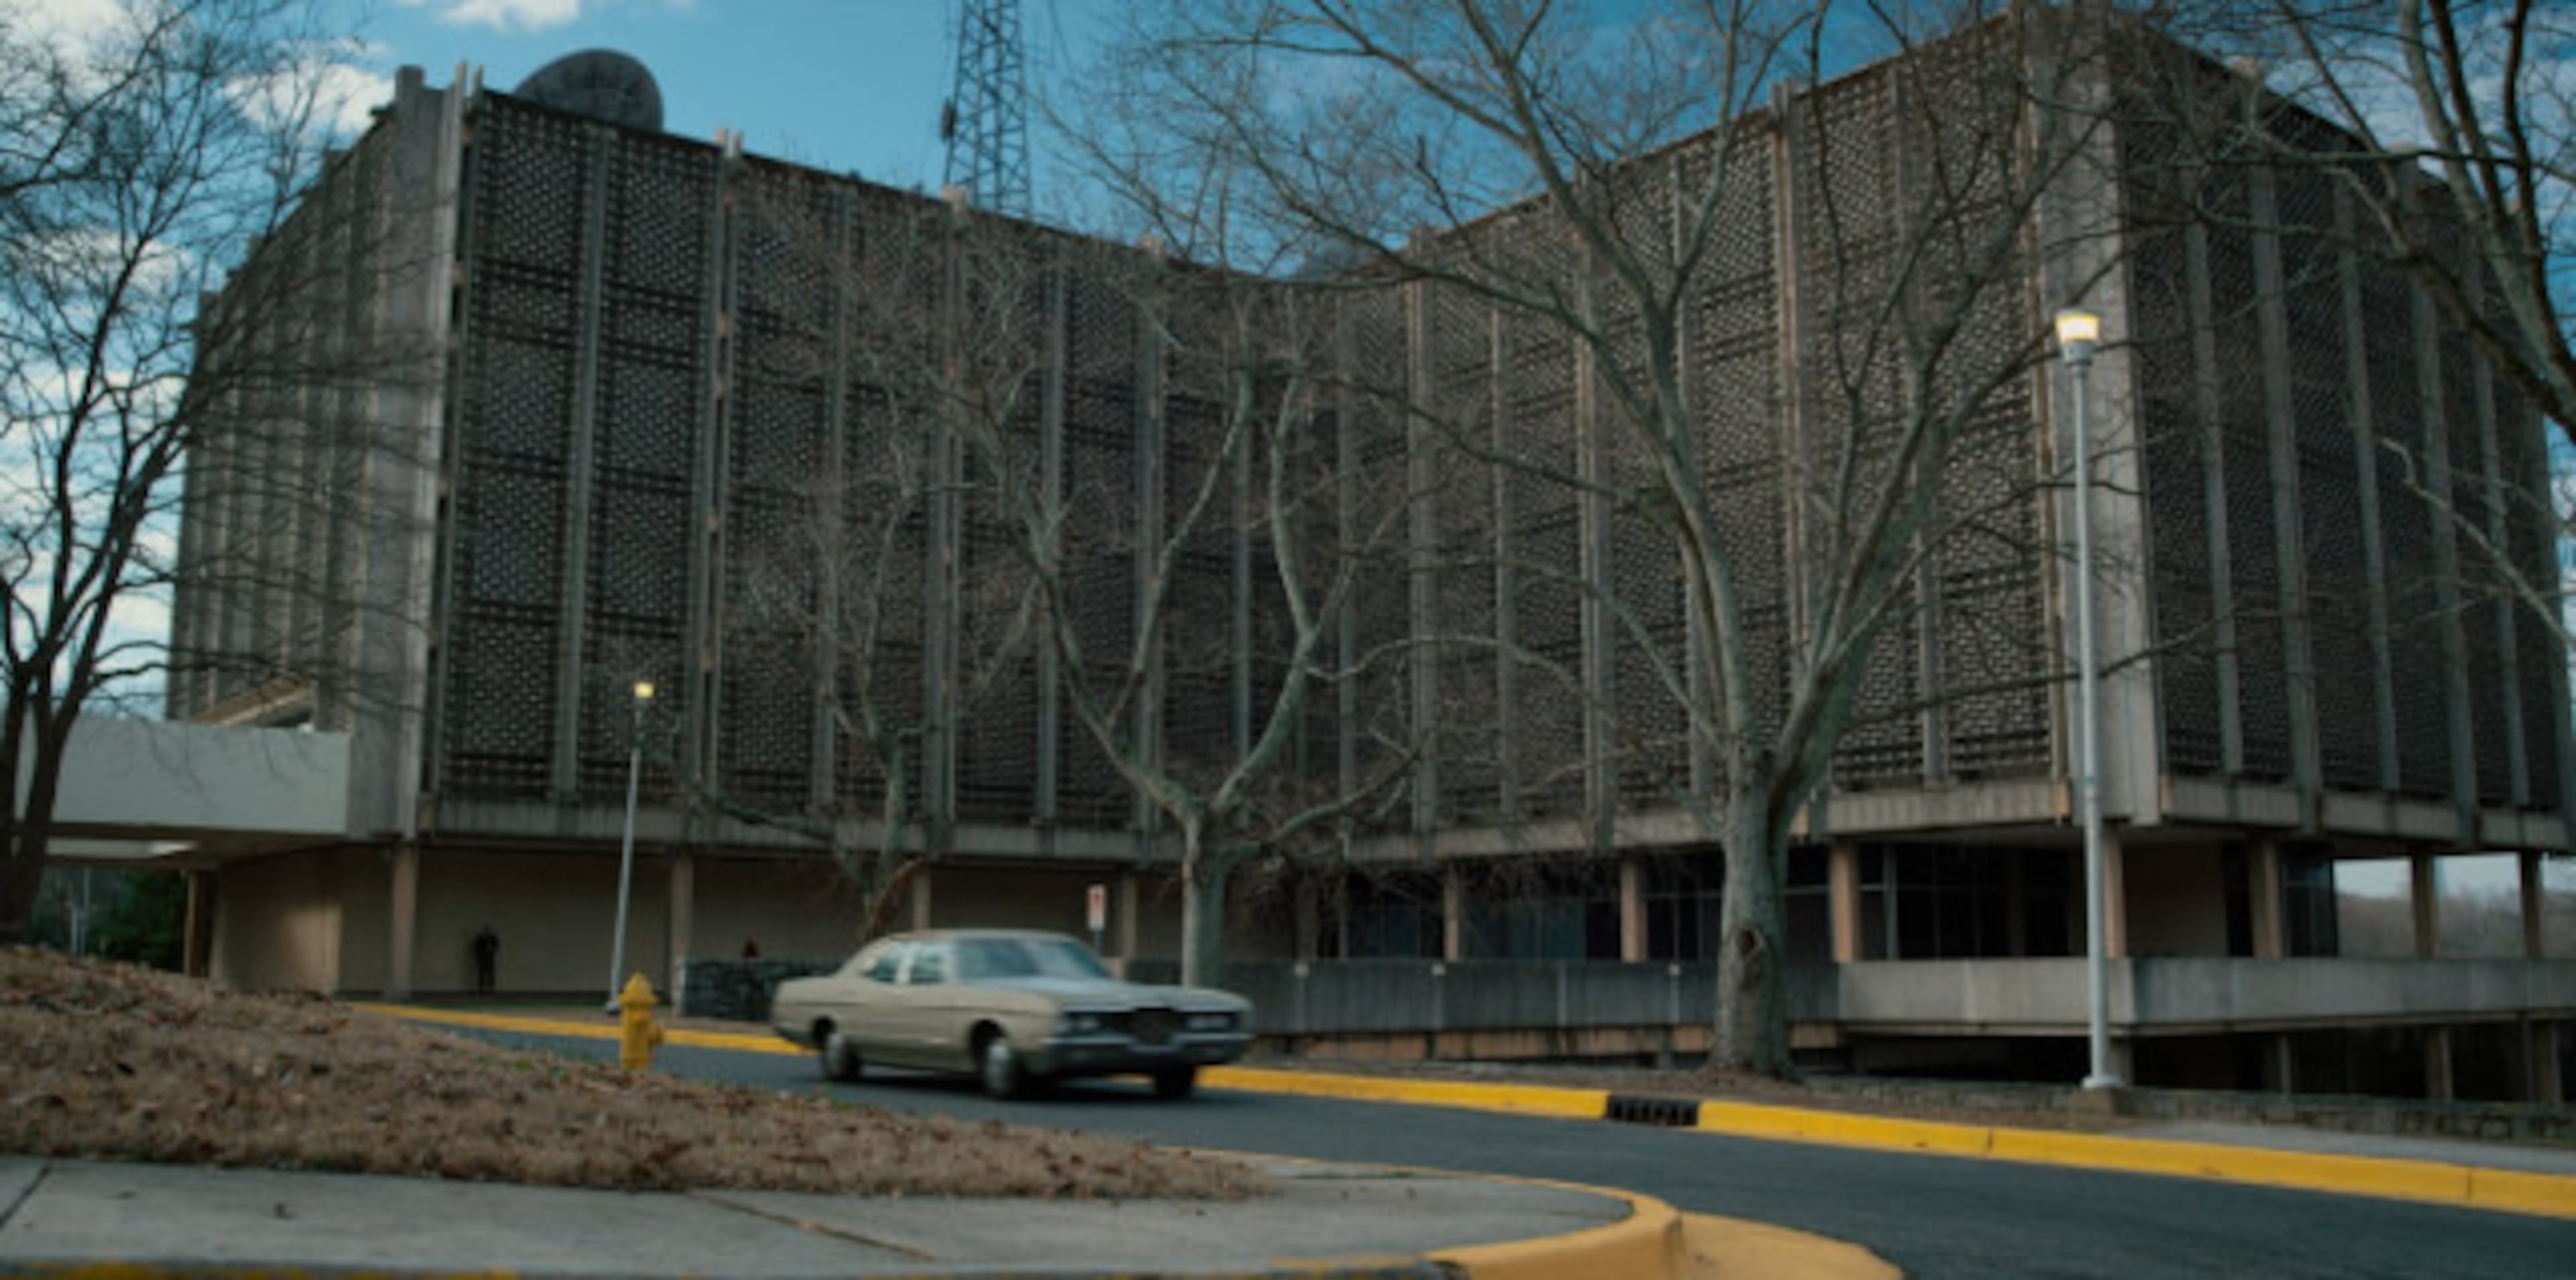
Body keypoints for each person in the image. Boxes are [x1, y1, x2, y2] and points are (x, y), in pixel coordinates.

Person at [472, 924, 499, 994]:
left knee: (491, 975)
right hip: (482, 959)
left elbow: (496, 946)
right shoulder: (480, 938)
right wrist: (480, 953)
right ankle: (481, 990)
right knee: (482, 975)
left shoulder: (492, 938)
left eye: (488, 930)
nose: (487, 932)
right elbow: (476, 947)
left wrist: (491, 949)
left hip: (490, 959)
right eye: (486, 930)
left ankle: (491, 990)